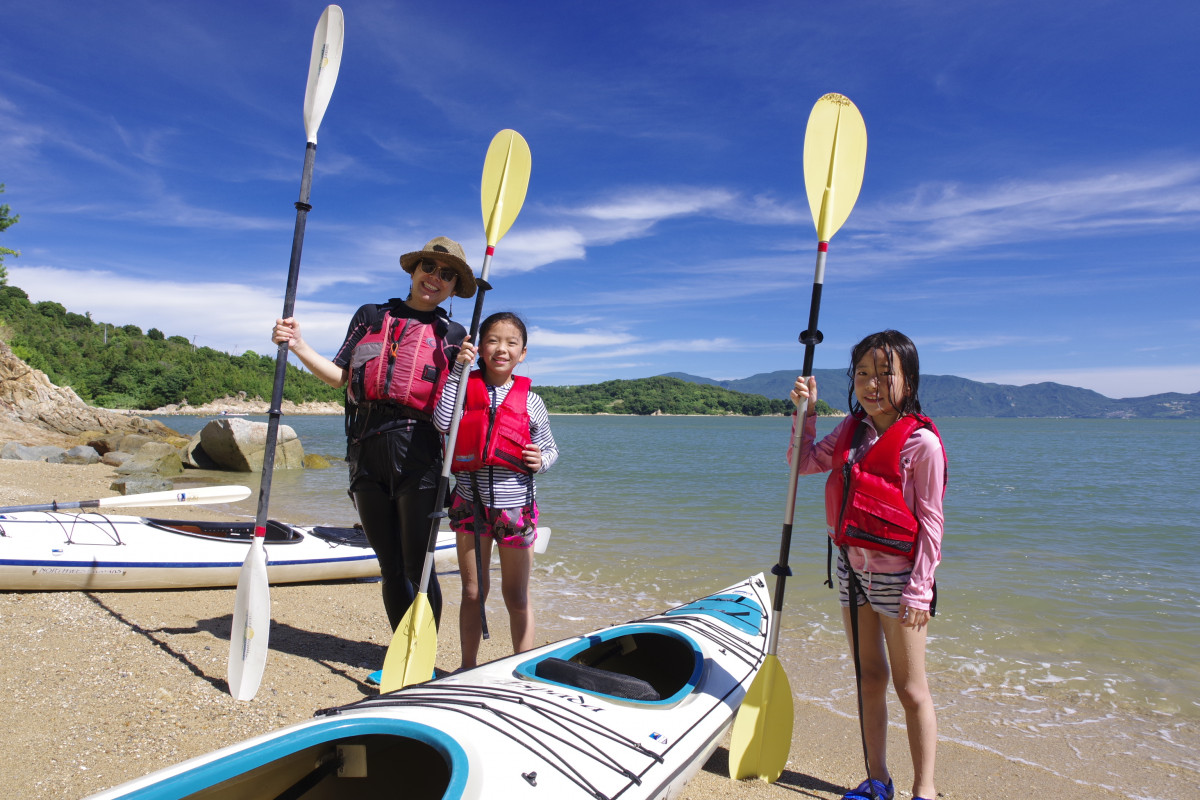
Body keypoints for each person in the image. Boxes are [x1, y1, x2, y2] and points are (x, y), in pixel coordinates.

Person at [272, 236, 475, 646]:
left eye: (447, 275)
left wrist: (468, 368)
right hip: (364, 450)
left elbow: (462, 403)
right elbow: (342, 376)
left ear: (454, 289)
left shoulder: (454, 334)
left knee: (418, 567)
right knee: (390, 564)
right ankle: (400, 652)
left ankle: (422, 658)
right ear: (414, 270)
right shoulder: (370, 315)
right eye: (429, 268)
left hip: (420, 454)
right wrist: (296, 345)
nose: (435, 278)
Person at [787, 330, 946, 800]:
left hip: (900, 580)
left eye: (884, 374)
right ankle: (878, 778)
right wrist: (807, 413)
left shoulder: (922, 445)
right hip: (851, 570)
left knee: (910, 687)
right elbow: (802, 463)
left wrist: (920, 589)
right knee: (868, 676)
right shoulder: (850, 431)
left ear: (909, 381)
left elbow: (932, 524)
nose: (871, 385)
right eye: (862, 374)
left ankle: (925, 790)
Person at [433, 311, 559, 670]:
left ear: (522, 353)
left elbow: (551, 449)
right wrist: (458, 371)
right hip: (469, 505)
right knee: (473, 592)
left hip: (515, 507)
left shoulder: (531, 401)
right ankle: (467, 667)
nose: (500, 349)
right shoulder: (462, 388)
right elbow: (442, 423)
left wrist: (540, 461)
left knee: (515, 595)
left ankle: (523, 669)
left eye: (511, 343)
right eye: (492, 340)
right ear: (479, 347)